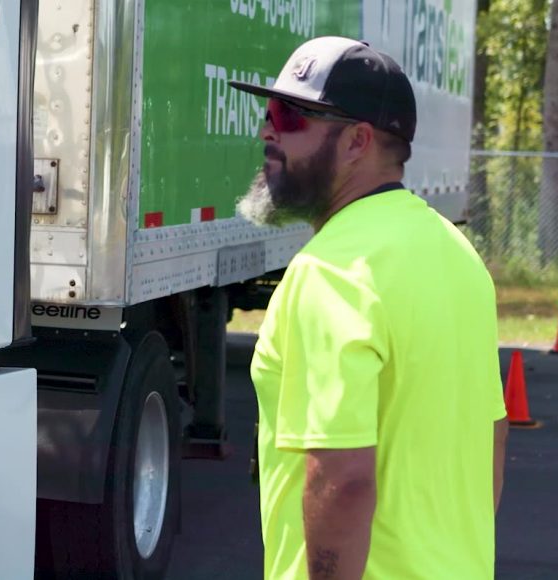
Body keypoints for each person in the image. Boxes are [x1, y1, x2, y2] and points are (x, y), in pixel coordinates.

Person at [229, 36, 510, 579]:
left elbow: (342, 477)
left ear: (357, 140)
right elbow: (493, 437)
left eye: (291, 116)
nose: (268, 129)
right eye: (268, 112)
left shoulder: (329, 272)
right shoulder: (457, 252)